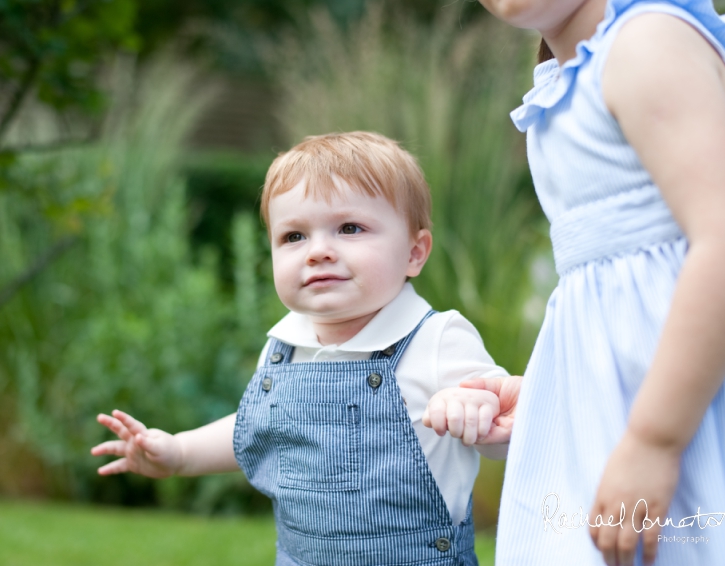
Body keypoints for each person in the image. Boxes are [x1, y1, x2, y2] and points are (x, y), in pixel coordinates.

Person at [91, 131, 512, 565]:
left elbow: (513, 429)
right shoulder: (284, 348)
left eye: (350, 228)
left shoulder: (438, 340)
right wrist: (178, 453)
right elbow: (256, 427)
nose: (318, 252)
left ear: (414, 252)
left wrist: (478, 410)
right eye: (294, 237)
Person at [451, 1, 725, 565]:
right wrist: (560, 396)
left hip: (692, 416)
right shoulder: (568, 82)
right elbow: (621, 295)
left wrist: (654, 440)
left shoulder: (645, 44)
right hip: (644, 410)